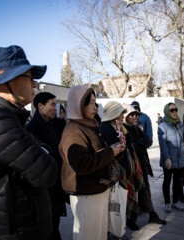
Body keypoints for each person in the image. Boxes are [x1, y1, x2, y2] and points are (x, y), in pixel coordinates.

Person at [0, 45, 57, 240]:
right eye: (30, 77)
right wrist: (42, 152)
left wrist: (41, 151)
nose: (34, 84)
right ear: (8, 79)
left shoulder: (5, 117)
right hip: (13, 233)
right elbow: (48, 173)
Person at [59, 86, 123, 240]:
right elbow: (81, 165)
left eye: (96, 103)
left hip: (97, 189)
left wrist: (118, 150)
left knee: (98, 235)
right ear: (79, 104)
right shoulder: (74, 131)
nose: (95, 108)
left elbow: (101, 156)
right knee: (88, 236)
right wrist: (110, 151)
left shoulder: (90, 126)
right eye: (91, 103)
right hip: (85, 193)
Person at [27, 92, 67, 239]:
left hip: (56, 185)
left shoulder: (54, 125)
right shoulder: (32, 129)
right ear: (40, 106)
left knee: (54, 225)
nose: (55, 108)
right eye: (52, 104)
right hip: (44, 189)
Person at [99, 101, 143, 231]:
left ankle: (120, 227)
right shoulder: (106, 128)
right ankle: (113, 230)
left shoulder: (118, 127)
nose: (123, 116)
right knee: (114, 204)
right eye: (121, 113)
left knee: (123, 200)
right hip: (115, 171)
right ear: (114, 114)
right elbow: (111, 150)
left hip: (124, 169)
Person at [122, 104, 166, 226]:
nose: (134, 117)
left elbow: (147, 142)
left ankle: (151, 214)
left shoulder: (136, 128)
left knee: (144, 189)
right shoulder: (123, 129)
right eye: (131, 114)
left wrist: (138, 143)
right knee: (130, 191)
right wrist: (138, 144)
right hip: (130, 165)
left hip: (142, 163)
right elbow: (131, 146)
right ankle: (131, 219)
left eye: (136, 114)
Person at [158, 102, 184, 213]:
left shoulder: (180, 123)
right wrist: (167, 158)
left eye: (175, 110)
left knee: (177, 182)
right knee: (167, 181)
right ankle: (167, 203)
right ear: (167, 112)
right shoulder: (163, 125)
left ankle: (175, 202)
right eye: (171, 110)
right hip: (169, 159)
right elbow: (162, 144)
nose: (174, 112)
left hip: (180, 159)